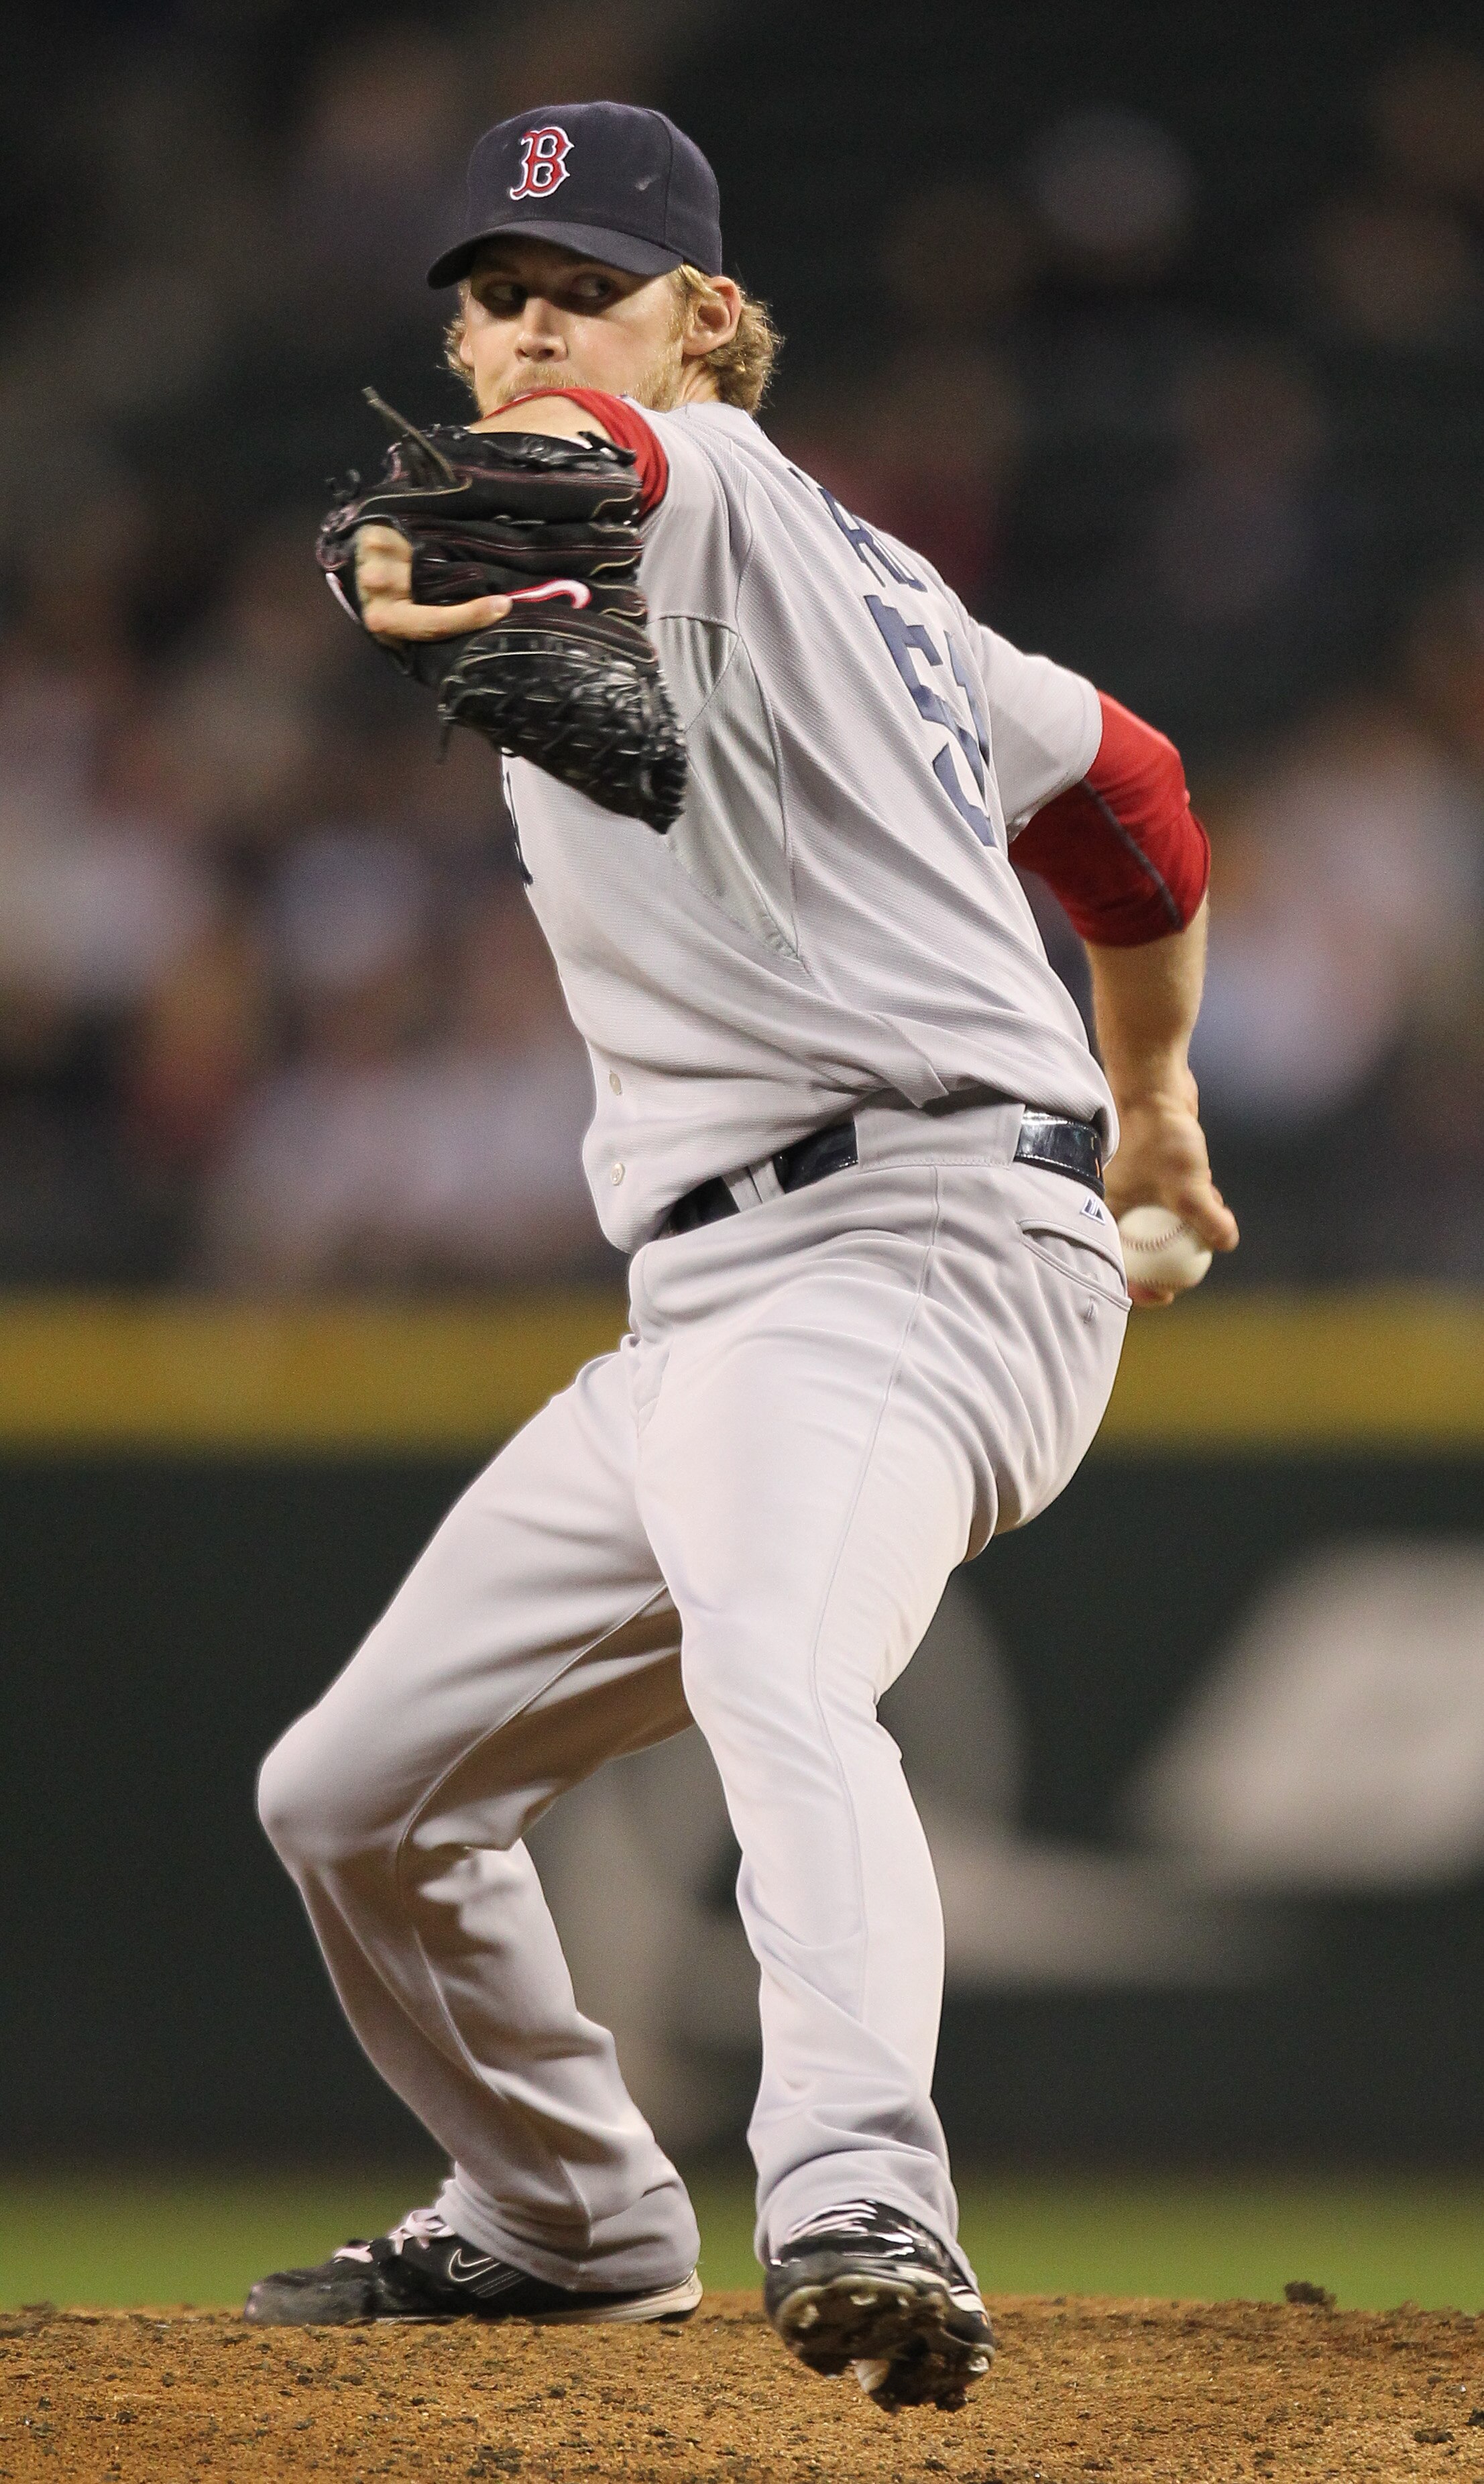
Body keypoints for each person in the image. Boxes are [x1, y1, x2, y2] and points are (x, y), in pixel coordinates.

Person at [247, 103, 1237, 2412]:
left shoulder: (678, 477)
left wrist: (462, 497)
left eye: (571, 290)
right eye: (485, 297)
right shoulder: (874, 582)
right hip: (717, 1300)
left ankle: (864, 2185)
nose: (514, 336)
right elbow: (1136, 790)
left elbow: (599, 465)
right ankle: (573, 2216)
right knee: (356, 1797)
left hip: (916, 1249)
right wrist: (1167, 1107)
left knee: (776, 1671)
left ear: (705, 316)